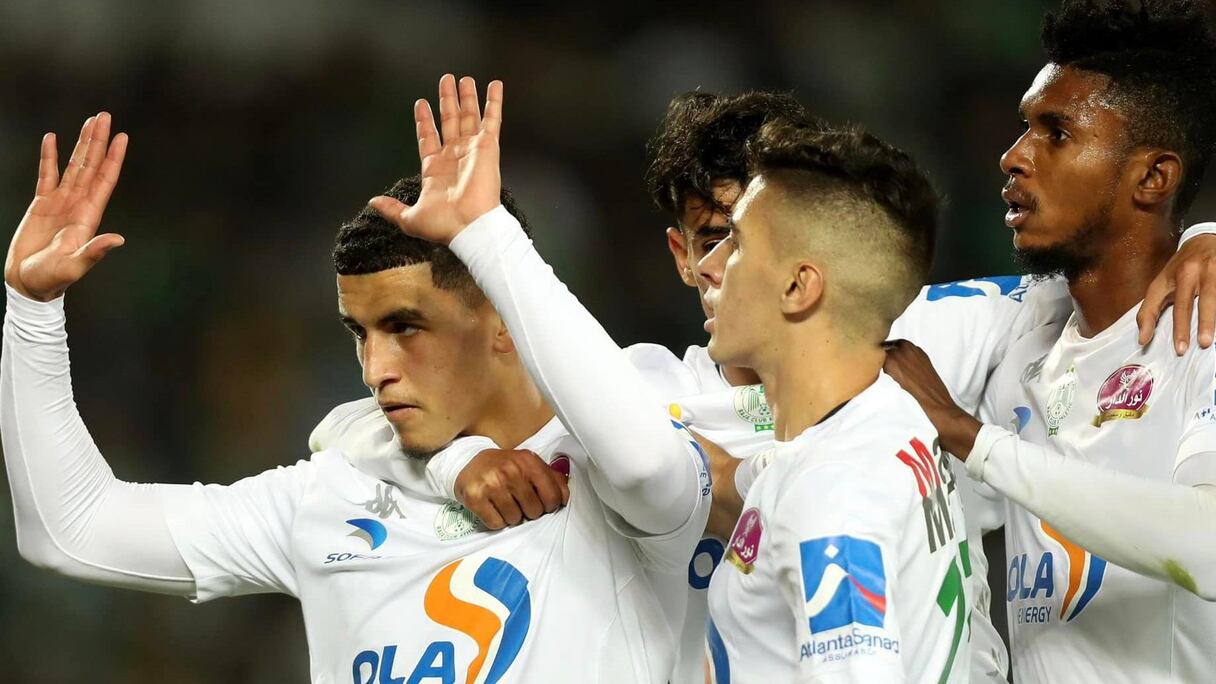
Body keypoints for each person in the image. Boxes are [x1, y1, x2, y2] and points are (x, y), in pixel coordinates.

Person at [315, 89, 1216, 684]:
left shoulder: (921, 345)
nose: (724, 265)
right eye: (714, 236)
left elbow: (1109, 265)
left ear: (808, 262)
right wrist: (463, 458)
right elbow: (363, 427)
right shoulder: (644, 393)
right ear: (680, 254)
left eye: (751, 234)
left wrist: (1200, 236)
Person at [1, 74, 711, 683]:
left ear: (503, 321)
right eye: (359, 334)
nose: (376, 370)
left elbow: (648, 462)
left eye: (406, 326)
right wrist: (32, 311)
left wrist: (488, 234)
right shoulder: (332, 496)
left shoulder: (617, 460)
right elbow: (72, 530)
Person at [884, 1, 1216, 681]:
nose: (1013, 157)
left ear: (1153, 178)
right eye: (1024, 128)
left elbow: (1207, 543)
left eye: (1056, 133)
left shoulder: (1203, 328)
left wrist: (973, 439)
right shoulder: (1019, 335)